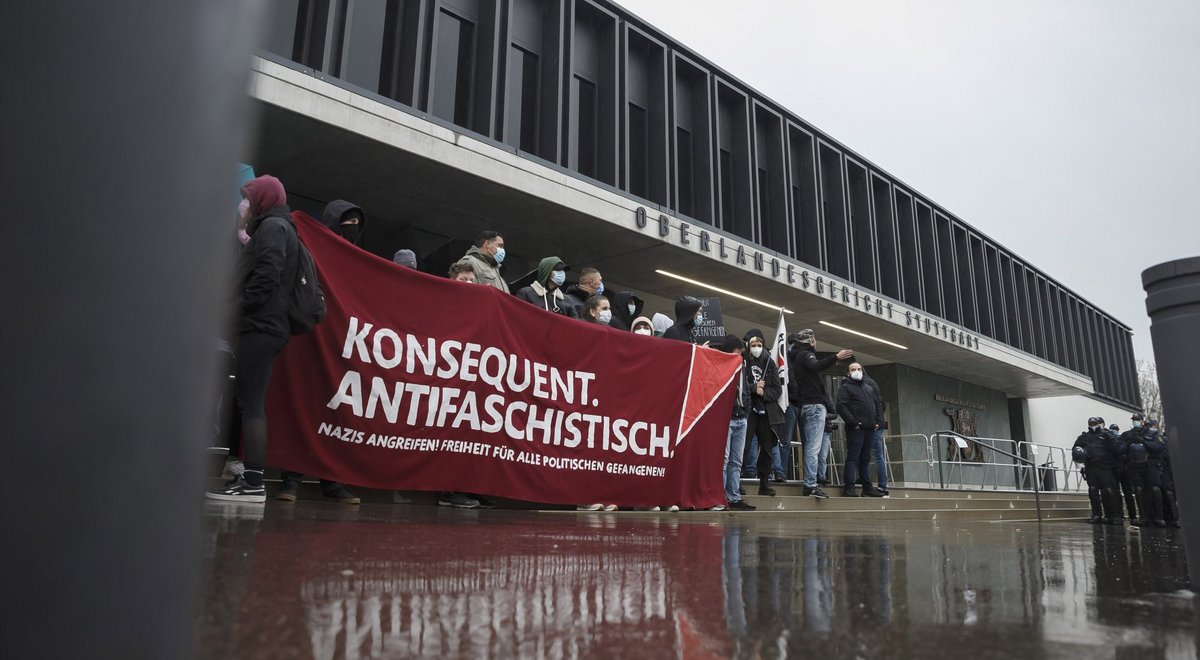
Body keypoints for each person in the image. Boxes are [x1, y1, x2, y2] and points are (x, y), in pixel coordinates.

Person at [206, 175, 295, 503]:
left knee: (250, 403)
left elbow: (267, 276)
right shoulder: (277, 227)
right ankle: (252, 479)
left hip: (260, 327)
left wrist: (236, 310)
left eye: (248, 197)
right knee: (249, 401)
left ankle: (254, 481)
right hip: (265, 326)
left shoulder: (272, 227)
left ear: (262, 200)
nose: (244, 204)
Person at [279, 198, 365, 504]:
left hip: (340, 343)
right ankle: (291, 478)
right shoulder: (311, 245)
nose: (352, 228)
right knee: (304, 406)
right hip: (308, 336)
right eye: (347, 221)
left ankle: (332, 480)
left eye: (357, 224)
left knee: (335, 412)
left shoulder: (357, 259)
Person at [791, 328, 852, 498]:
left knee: (812, 446)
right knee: (813, 447)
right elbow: (816, 366)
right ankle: (810, 484)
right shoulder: (805, 355)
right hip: (814, 405)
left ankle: (811, 483)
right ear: (810, 340)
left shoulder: (798, 357)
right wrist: (836, 357)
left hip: (809, 405)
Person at [742, 329, 786, 497]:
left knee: (767, 448)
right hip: (748, 410)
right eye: (753, 345)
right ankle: (736, 482)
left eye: (759, 345)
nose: (756, 348)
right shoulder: (743, 361)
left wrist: (763, 394)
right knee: (744, 447)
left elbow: (777, 389)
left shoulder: (770, 363)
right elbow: (738, 385)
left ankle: (764, 483)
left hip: (767, 411)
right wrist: (753, 388)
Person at [835, 363, 884, 497]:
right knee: (853, 457)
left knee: (866, 458)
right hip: (856, 428)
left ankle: (867, 488)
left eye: (858, 369)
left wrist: (879, 422)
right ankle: (849, 487)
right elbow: (841, 406)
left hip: (870, 428)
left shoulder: (868, 387)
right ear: (848, 373)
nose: (856, 371)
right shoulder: (845, 387)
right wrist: (853, 422)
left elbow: (877, 405)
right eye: (853, 369)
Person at [719, 335, 755, 511]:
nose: (739, 356)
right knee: (724, 460)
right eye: (737, 352)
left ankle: (733, 496)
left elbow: (746, 389)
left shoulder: (742, 367)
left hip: (741, 418)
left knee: (736, 461)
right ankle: (721, 496)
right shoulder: (722, 366)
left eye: (741, 353)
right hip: (727, 418)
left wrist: (746, 411)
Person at [1073, 416, 1122, 524]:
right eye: (1091, 424)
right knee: (1093, 490)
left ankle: (1113, 515)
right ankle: (1096, 515)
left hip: (1105, 467)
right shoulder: (1084, 437)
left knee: (1108, 491)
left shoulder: (1106, 435)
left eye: (1095, 424)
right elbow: (1076, 449)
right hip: (1091, 467)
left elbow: (1117, 448)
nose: (1093, 426)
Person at [863, 370, 890, 498]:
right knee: (878, 456)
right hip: (877, 424)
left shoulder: (865, 384)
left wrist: (875, 422)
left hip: (872, 425)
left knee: (872, 455)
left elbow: (877, 405)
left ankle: (881, 486)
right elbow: (881, 404)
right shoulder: (872, 382)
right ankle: (882, 486)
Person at [1115, 413, 1145, 525]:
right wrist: (1128, 443)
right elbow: (1119, 448)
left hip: (1145, 467)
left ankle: (1147, 516)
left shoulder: (1147, 433)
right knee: (1132, 492)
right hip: (1130, 467)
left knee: (1146, 492)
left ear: (1142, 421)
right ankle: (1133, 516)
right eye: (1134, 419)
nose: (1135, 421)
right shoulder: (1126, 435)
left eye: (1137, 419)